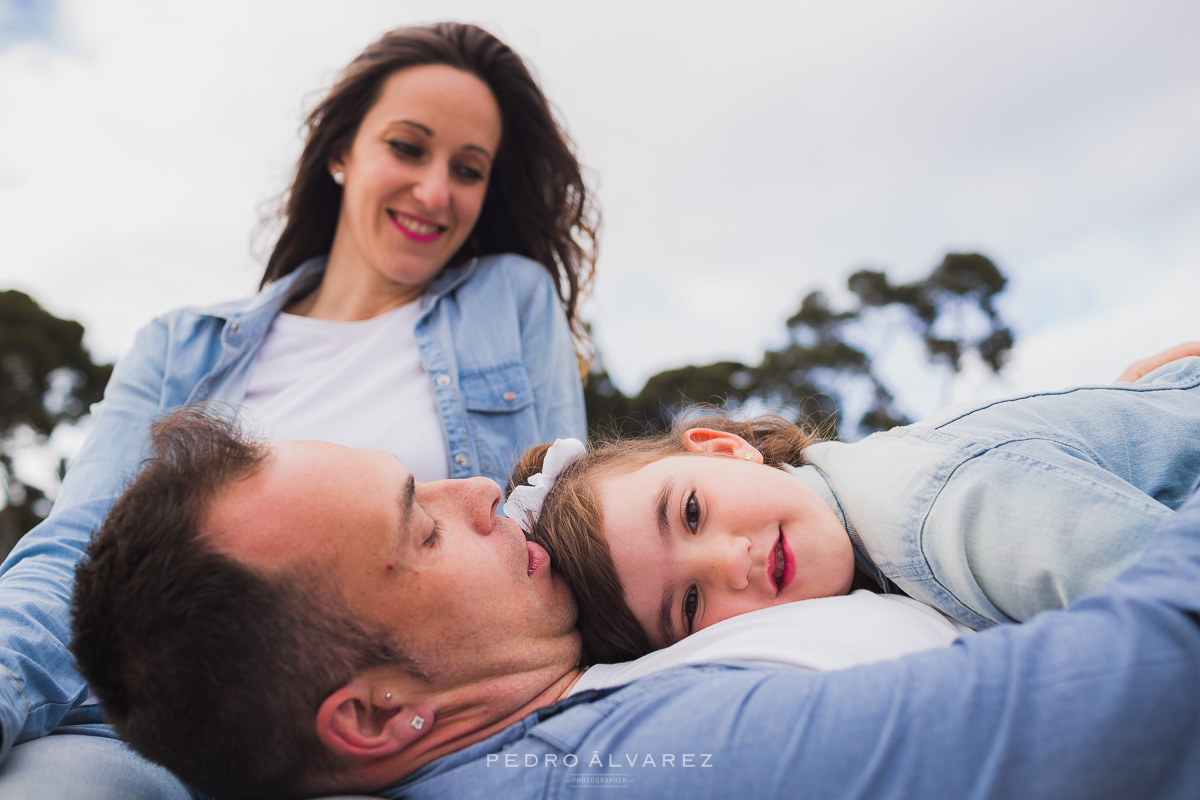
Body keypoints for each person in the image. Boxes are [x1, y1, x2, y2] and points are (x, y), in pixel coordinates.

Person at [0, 21, 597, 797]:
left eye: (469, 168)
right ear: (342, 153)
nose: (436, 192)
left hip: (414, 734)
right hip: (142, 737)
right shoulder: (182, 345)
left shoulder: (509, 298)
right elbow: (79, 549)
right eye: (409, 148)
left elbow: (558, 512)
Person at [69, 404, 1200, 799]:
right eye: (419, 524)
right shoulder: (637, 764)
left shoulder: (568, 704)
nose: (478, 491)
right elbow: (1145, 691)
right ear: (375, 711)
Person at [512, 347, 1200, 663]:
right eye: (689, 604)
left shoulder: (936, 514)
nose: (731, 561)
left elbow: (1179, 614)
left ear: (725, 450)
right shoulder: (871, 528)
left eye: (691, 513)